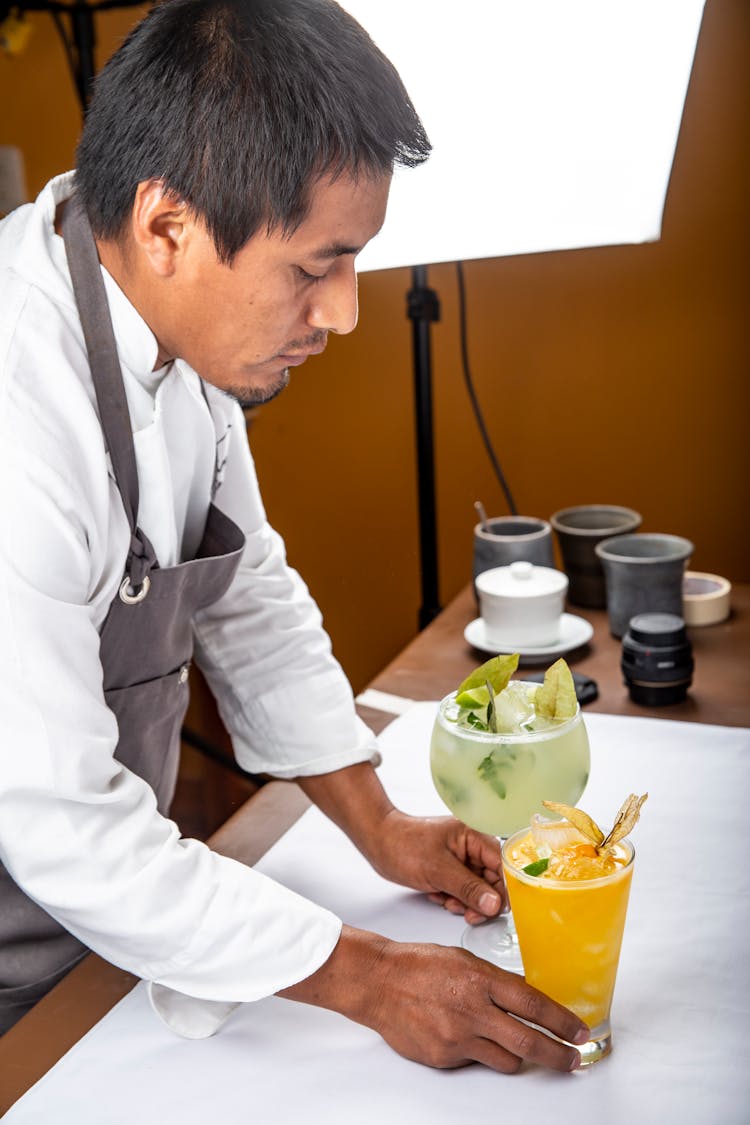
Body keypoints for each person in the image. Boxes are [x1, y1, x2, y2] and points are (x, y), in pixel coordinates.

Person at [0, 0, 588, 1070]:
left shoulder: (184, 336)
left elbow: (247, 594)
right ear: (166, 224)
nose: (344, 313)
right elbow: (59, 824)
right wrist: (368, 976)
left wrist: (378, 824)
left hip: (108, 931)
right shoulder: (16, 418)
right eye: (315, 268)